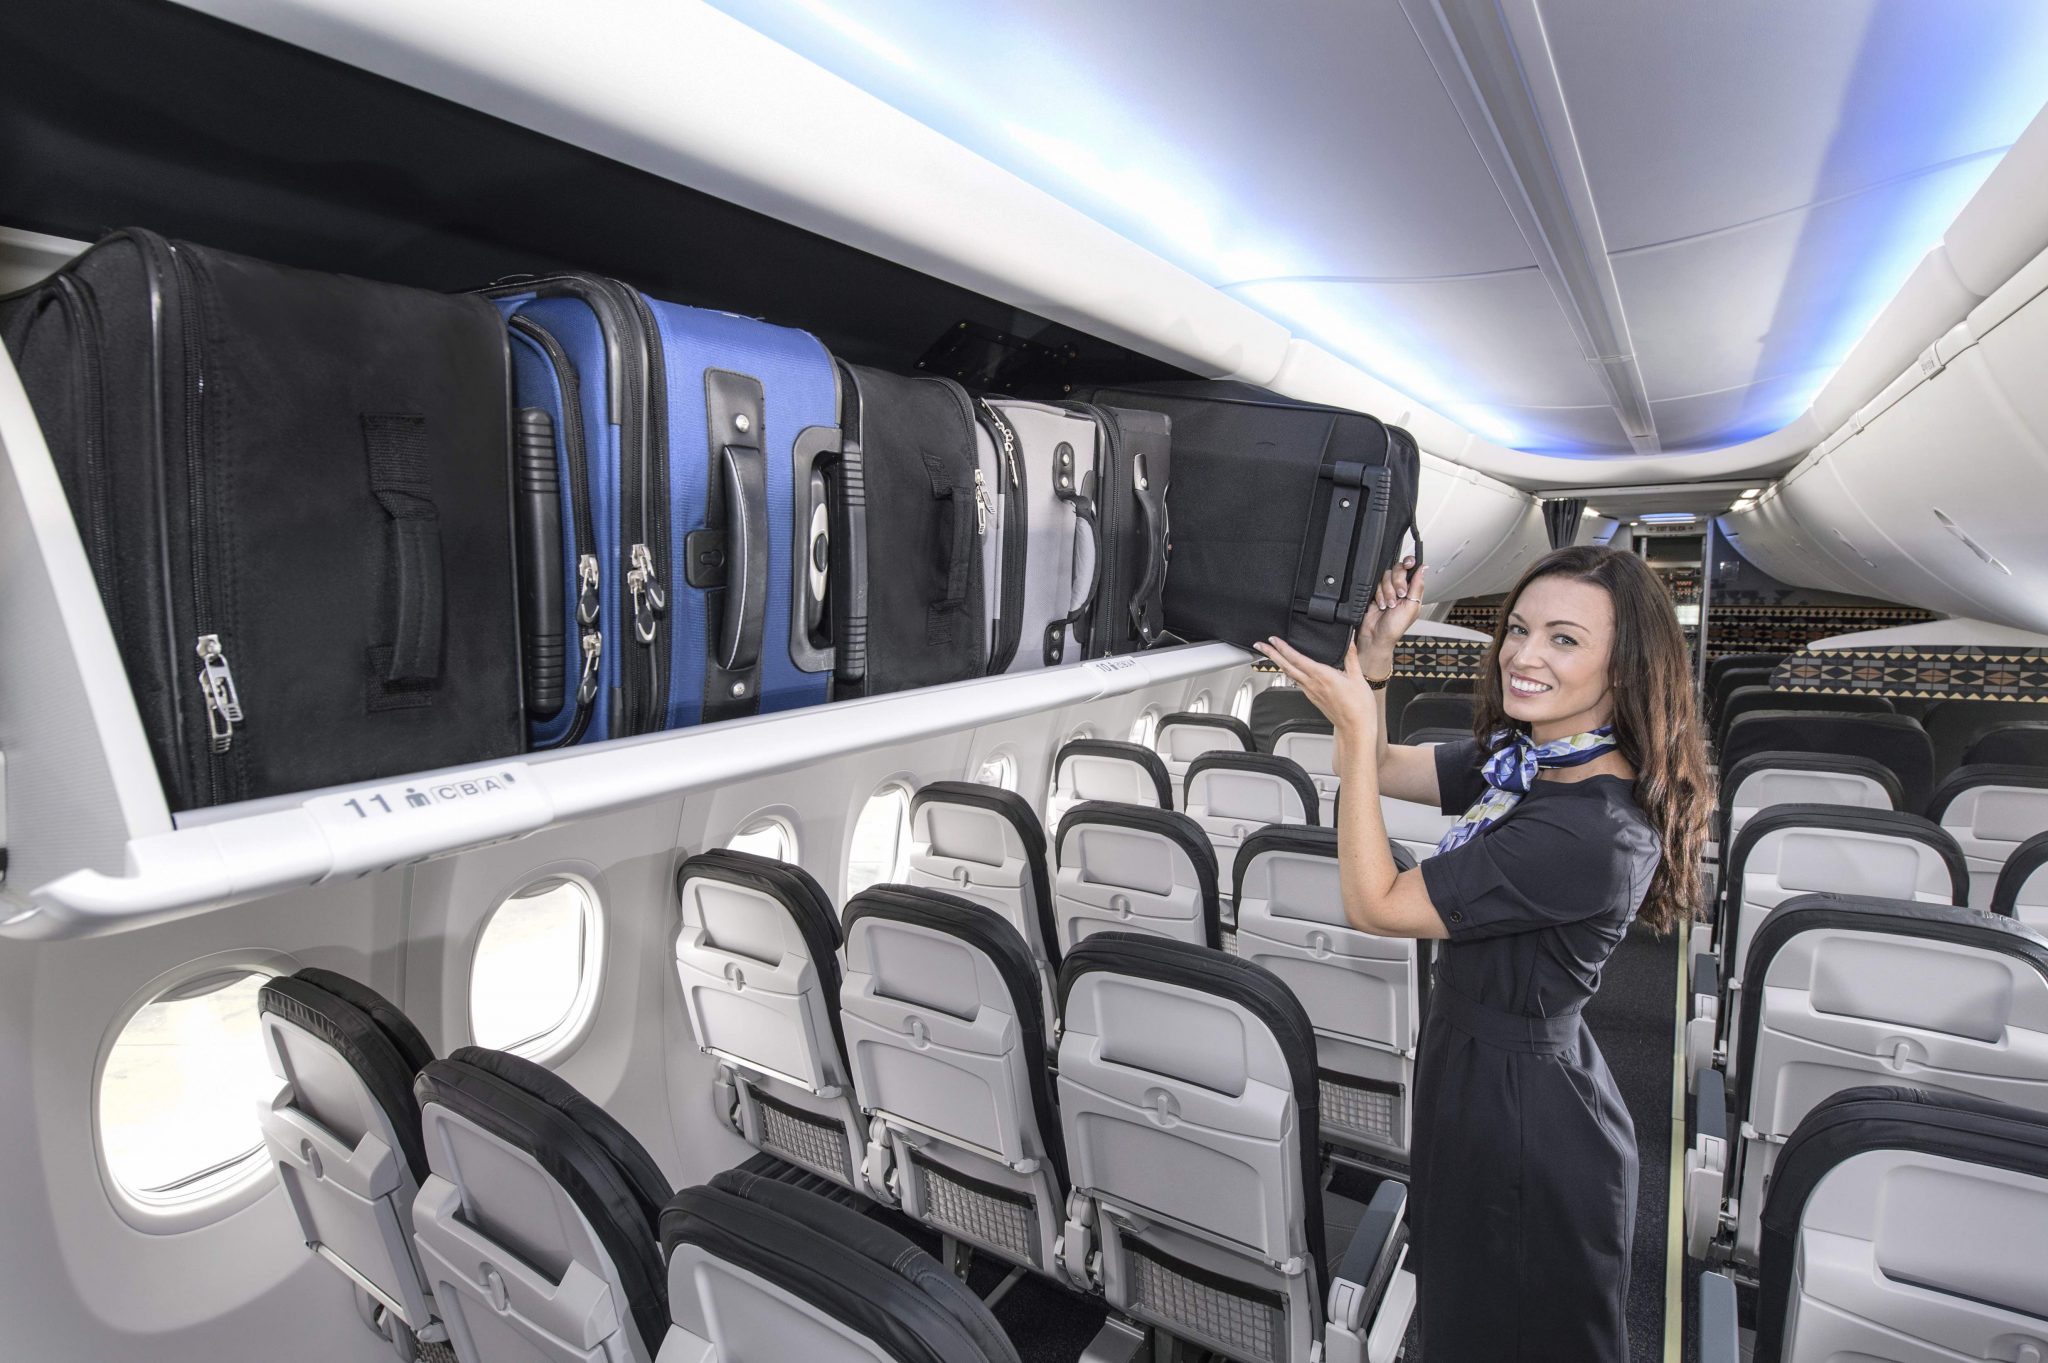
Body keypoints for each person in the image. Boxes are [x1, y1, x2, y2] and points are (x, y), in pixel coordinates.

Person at [1255, 545, 1711, 1363]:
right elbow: (1384, 768)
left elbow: (1377, 902)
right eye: (1519, 629)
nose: (1525, 654)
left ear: (1626, 665)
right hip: (1474, 1070)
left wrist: (1356, 729)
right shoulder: (1530, 762)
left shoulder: (1587, 830)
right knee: (1467, 1313)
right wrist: (1379, 663)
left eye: (1565, 639)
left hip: (1528, 1113)